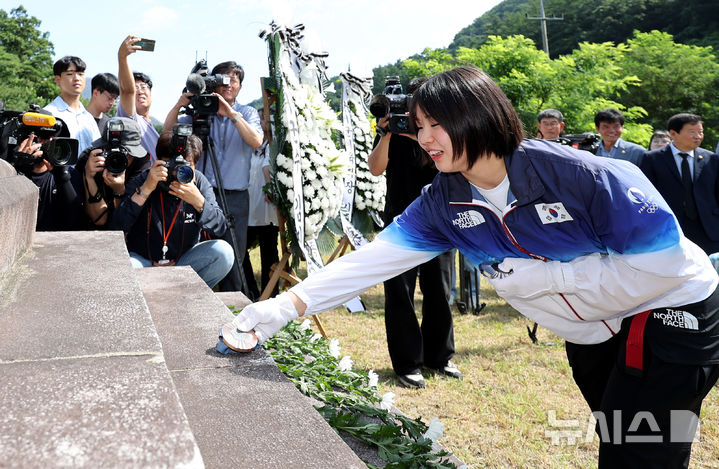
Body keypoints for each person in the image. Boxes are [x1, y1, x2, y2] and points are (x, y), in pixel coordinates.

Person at [230, 66, 719, 468]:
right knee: (622, 435)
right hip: (591, 331)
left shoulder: (588, 177)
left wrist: (541, 277)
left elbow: (662, 265)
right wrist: (284, 306)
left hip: (670, 310)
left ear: (478, 116)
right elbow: (374, 260)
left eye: (434, 125)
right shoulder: (444, 201)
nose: (424, 139)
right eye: (418, 128)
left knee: (640, 455)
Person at [367, 76, 458, 388]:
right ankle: (408, 363)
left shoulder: (442, 132)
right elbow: (375, 168)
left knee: (439, 290)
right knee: (400, 293)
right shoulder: (393, 129)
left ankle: (440, 357)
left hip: (440, 221)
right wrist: (388, 133)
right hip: (401, 223)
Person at [164, 60, 263, 293]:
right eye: (222, 80)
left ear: (240, 86)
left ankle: (233, 302)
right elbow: (167, 133)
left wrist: (230, 114)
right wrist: (182, 103)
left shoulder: (246, 112)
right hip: (200, 193)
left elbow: (257, 141)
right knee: (196, 245)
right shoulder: (200, 112)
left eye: (233, 80)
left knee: (235, 253)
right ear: (211, 84)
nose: (228, 85)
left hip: (235, 196)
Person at [110, 131, 233, 288]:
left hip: (184, 262)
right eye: (172, 166)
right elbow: (116, 227)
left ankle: (189, 297)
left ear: (195, 165)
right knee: (127, 268)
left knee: (223, 253)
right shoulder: (145, 179)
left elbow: (221, 226)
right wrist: (146, 189)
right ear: (159, 161)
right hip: (144, 262)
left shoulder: (199, 183)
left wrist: (199, 202)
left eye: (186, 167)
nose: (177, 173)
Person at [640, 113, 719, 255]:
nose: (698, 136)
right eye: (692, 132)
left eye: (700, 132)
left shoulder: (711, 159)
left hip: (708, 228)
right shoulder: (652, 159)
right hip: (670, 227)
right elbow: (647, 195)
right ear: (673, 134)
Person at [76, 117, 151, 227]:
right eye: (111, 152)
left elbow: (124, 222)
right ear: (103, 149)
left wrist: (119, 191)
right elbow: (99, 220)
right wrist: (88, 177)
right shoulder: (90, 159)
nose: (117, 158)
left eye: (125, 153)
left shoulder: (139, 162)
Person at [242, 107, 279, 299]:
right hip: (249, 206)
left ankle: (270, 294)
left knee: (269, 251)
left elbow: (267, 167)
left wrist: (271, 187)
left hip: (266, 207)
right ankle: (250, 292)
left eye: (263, 119)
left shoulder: (273, 144)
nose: (261, 123)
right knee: (240, 249)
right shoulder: (250, 143)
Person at [43, 56, 100, 153]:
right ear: (58, 80)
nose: (77, 78)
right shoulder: (49, 114)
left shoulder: (89, 118)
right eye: (70, 74)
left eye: (81, 74)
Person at [117, 35, 160, 161]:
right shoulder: (130, 118)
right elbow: (127, 91)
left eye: (143, 87)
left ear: (151, 95)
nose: (139, 91)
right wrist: (122, 57)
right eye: (135, 88)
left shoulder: (153, 129)